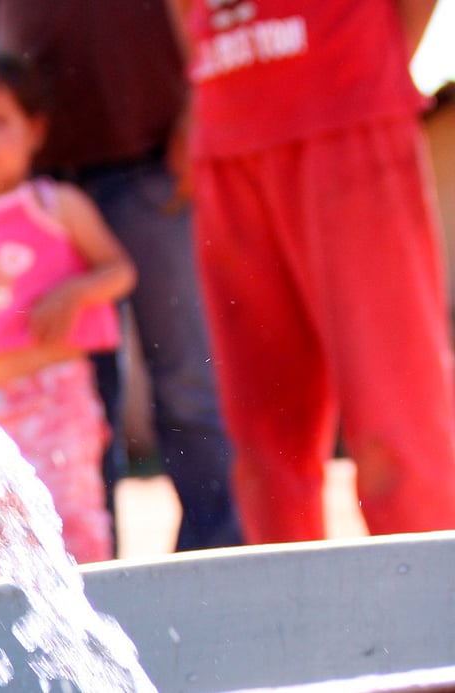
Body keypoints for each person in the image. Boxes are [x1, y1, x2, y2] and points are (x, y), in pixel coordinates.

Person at [0, 2, 243, 553]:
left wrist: (197, 106)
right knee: (79, 399)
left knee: (188, 377)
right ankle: (90, 575)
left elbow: (200, 14)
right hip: (39, 195)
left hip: (150, 160)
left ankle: (216, 556)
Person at [174, 0, 455, 542]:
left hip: (346, 116)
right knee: (263, 440)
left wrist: (365, 70)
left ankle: (432, 610)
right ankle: (292, 615)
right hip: (228, 138)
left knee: (393, 416)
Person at [0, 45, 137, 563]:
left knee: (73, 523)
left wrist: (74, 291)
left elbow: (120, 270)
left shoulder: (55, 205)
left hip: (56, 397)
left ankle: (93, 630)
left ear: (34, 129)